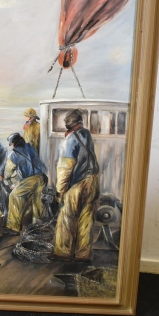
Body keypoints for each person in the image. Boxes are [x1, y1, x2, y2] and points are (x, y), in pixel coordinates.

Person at [52, 109, 100, 262]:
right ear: (80, 122)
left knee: (67, 218)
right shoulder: (86, 134)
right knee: (86, 220)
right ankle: (82, 254)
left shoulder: (70, 139)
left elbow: (65, 169)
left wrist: (60, 191)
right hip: (92, 181)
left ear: (68, 125)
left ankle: (63, 253)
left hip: (77, 184)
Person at [3, 132, 47, 235]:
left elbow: (8, 172)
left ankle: (13, 228)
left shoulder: (13, 154)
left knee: (14, 196)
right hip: (42, 178)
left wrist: (8, 182)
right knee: (38, 202)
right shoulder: (30, 147)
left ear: (13, 143)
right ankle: (38, 225)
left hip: (30, 180)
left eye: (11, 144)